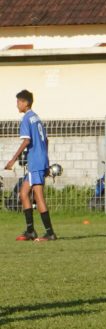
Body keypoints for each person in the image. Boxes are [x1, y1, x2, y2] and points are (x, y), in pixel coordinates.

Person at [5, 89, 55, 242]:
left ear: (25, 103)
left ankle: (50, 233)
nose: (17, 105)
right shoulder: (36, 118)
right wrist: (45, 161)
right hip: (40, 161)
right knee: (23, 193)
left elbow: (26, 141)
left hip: (35, 162)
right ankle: (30, 231)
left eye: (19, 102)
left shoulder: (27, 119)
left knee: (38, 196)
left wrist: (13, 159)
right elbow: (45, 140)